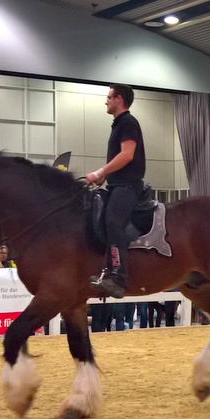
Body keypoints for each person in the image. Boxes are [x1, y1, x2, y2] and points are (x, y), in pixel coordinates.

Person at [85, 83, 146, 299]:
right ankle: (105, 270)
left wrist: (100, 171)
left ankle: (119, 276)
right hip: (117, 184)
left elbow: (127, 155)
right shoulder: (119, 124)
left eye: (109, 97)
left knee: (113, 221)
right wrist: (104, 176)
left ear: (119, 99)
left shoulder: (128, 122)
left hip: (128, 186)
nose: (106, 100)